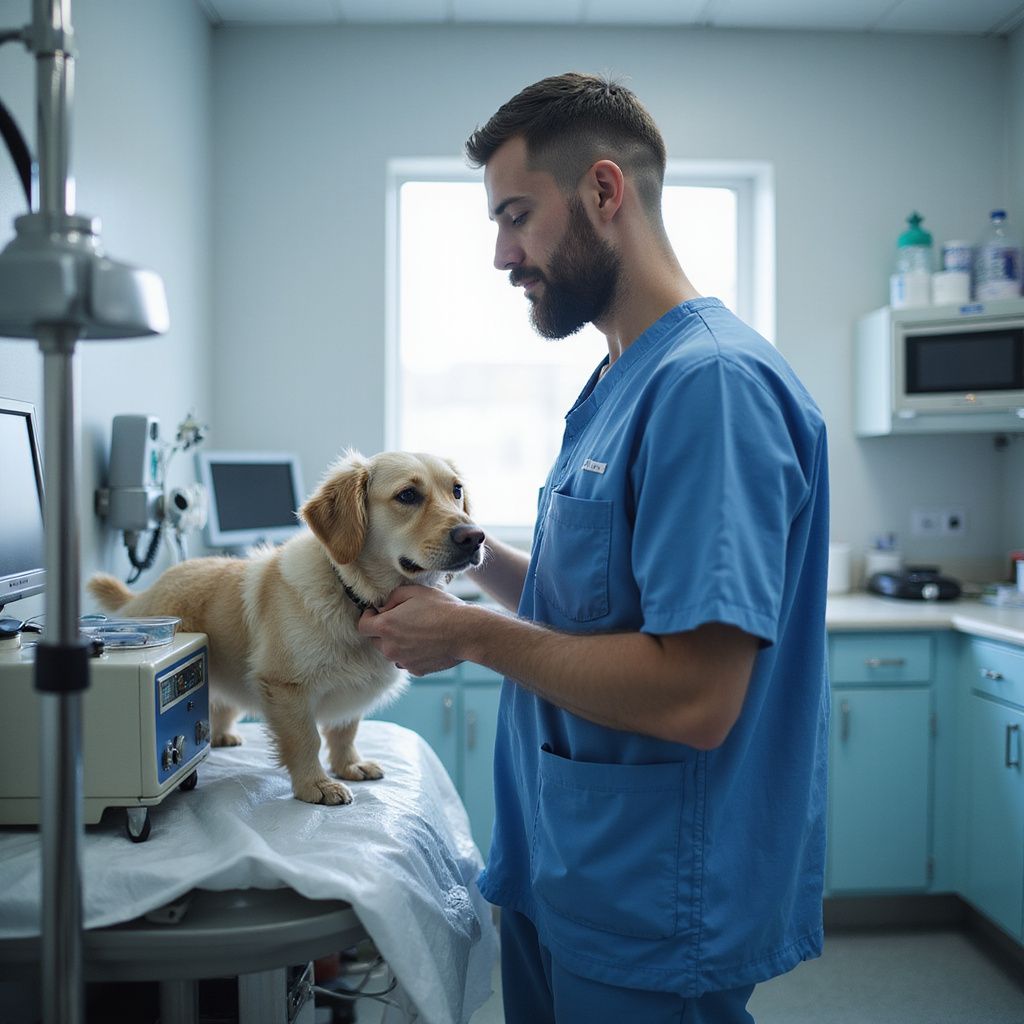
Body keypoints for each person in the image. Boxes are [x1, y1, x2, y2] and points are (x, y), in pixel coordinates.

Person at [358, 72, 829, 1024]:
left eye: (517, 216)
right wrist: (458, 548)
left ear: (604, 193)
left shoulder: (712, 387)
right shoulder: (618, 375)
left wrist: (471, 638)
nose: (501, 254)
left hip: (653, 897)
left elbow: (694, 695)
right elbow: (590, 606)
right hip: (565, 865)